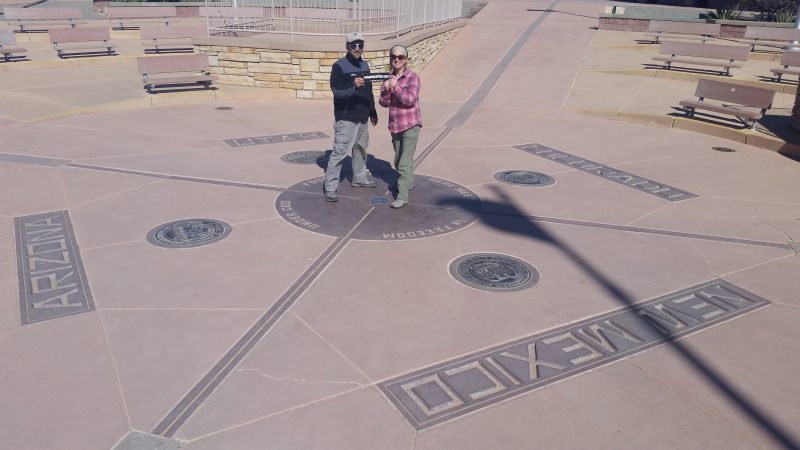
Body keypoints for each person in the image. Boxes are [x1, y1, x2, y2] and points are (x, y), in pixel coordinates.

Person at [324, 31, 379, 202]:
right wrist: (353, 86)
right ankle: (331, 187)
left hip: (362, 116)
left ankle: (359, 178)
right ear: (347, 47)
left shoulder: (365, 65)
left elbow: (369, 91)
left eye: (360, 45)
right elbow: (337, 91)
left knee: (361, 150)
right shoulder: (339, 66)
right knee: (340, 153)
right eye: (354, 45)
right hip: (346, 118)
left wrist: (372, 111)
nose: (357, 48)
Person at [379, 44, 421, 209]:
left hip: (411, 125)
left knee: (403, 162)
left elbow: (410, 100)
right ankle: (409, 182)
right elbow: (383, 103)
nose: (397, 59)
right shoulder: (388, 77)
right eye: (393, 57)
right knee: (399, 160)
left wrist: (395, 87)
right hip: (395, 125)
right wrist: (386, 90)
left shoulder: (413, 78)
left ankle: (402, 196)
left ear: (406, 60)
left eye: (400, 57)